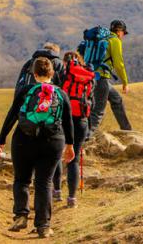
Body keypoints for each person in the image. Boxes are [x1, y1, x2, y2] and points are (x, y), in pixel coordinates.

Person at [0, 57, 76, 238]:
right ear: (52, 74)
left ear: (34, 74)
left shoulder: (25, 91)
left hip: (24, 140)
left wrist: (1, 138)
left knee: (22, 180)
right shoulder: (61, 94)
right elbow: (68, 122)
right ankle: (43, 226)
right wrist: (70, 145)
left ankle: (21, 216)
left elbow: (12, 116)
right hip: (53, 142)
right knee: (44, 182)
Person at [52, 51, 93, 208]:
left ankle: (56, 192)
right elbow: (92, 102)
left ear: (65, 62)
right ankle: (72, 199)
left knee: (57, 155)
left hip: (63, 119)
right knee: (74, 159)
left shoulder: (62, 75)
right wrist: (88, 126)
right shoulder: (88, 77)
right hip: (82, 121)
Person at [87, 20, 132, 135]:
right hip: (101, 78)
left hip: (91, 77)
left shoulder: (100, 39)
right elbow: (119, 64)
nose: (123, 36)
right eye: (123, 33)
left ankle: (127, 131)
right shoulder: (114, 40)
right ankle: (86, 139)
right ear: (119, 31)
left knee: (117, 100)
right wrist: (125, 82)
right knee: (97, 112)